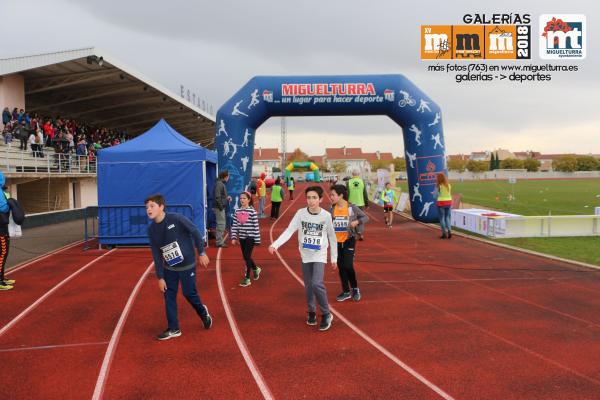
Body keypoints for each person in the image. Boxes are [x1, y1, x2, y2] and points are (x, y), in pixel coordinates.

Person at [269, 186, 337, 331]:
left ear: (320, 199)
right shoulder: (300, 214)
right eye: (308, 198)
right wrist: (275, 245)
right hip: (305, 254)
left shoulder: (325, 216)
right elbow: (289, 230)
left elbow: (332, 237)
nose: (311, 201)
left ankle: (326, 314)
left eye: (314, 198)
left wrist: (334, 258)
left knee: (316, 283)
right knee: (308, 286)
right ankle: (311, 311)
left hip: (320, 254)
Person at [146, 193, 212, 340]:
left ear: (161, 207)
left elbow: (195, 232)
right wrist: (160, 277)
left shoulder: (176, 218)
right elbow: (156, 254)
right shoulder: (152, 230)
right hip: (169, 269)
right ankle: (174, 328)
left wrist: (201, 252)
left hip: (187, 266)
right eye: (147, 207)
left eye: (152, 206)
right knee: (169, 296)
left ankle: (203, 312)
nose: (148, 209)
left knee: (189, 293)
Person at [329, 184, 368, 302]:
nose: (331, 197)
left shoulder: (351, 207)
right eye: (331, 195)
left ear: (341, 195)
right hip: (336, 242)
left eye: (333, 195)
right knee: (341, 267)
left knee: (348, 265)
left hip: (349, 240)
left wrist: (357, 222)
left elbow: (366, 217)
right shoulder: (331, 209)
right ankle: (346, 291)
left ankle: (355, 288)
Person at [231, 191, 261, 287]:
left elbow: (256, 226)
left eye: (244, 198)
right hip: (242, 238)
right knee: (246, 257)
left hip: (250, 238)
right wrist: (234, 237)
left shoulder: (252, 212)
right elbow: (235, 225)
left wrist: (257, 239)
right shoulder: (237, 211)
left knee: (247, 257)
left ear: (249, 200)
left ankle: (247, 278)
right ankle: (256, 268)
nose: (242, 200)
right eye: (241, 198)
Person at [0, 172, 17, 290]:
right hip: (0, 226)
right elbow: (3, 207)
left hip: (3, 225)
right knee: (2, 253)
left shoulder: (2, 191)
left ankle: (2, 276)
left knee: (4, 253)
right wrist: (10, 203)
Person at [213, 170, 231, 247]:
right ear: (225, 177)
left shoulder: (220, 184)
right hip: (219, 207)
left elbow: (220, 196)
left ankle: (219, 240)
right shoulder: (219, 184)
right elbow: (217, 197)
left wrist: (226, 198)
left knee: (221, 224)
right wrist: (221, 206)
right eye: (228, 176)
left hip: (219, 206)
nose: (229, 178)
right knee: (221, 224)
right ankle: (219, 242)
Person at [436, 172, 453, 239]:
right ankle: (450, 231)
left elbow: (435, 196)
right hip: (449, 202)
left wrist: (434, 193)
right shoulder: (448, 185)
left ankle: (444, 233)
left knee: (442, 218)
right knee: (447, 217)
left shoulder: (438, 186)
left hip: (441, 203)